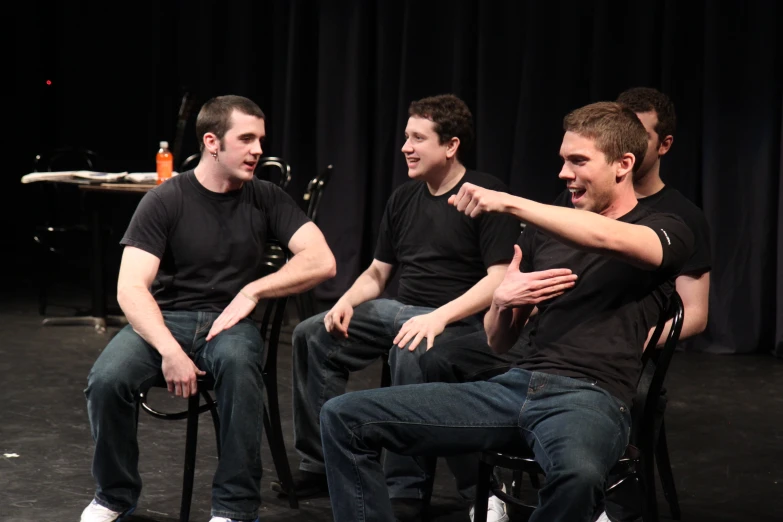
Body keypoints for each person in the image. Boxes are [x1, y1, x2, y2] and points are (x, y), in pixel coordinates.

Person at [319, 101, 694, 522]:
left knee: (578, 475)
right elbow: (499, 341)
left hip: (590, 398)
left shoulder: (669, 227)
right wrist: (502, 301)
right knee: (344, 417)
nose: (564, 173)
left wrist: (510, 203)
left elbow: (611, 239)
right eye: (563, 160)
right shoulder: (545, 234)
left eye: (578, 161)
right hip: (513, 387)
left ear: (623, 164)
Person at [80, 95, 336, 522]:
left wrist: (253, 291)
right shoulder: (166, 200)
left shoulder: (266, 197)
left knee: (239, 371)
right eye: (247, 139)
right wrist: (170, 351)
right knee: (106, 381)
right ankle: (114, 495)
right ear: (212, 142)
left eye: (261, 139)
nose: (258, 150)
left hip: (229, 324)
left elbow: (322, 260)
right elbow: (131, 289)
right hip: (166, 321)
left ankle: (234, 507)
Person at [273, 94, 521, 520]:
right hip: (403, 309)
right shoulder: (404, 198)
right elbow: (377, 271)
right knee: (312, 333)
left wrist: (440, 316)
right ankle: (318, 464)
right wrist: (347, 300)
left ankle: (406, 487)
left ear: (451, 146)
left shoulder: (484, 195)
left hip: (460, 321)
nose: (406, 146)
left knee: (410, 345)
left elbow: (499, 278)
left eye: (418, 138)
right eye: (406, 136)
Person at [591, 88, 710, 522]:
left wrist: (630, 342)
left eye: (639, 133)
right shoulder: (588, 196)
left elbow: (694, 312)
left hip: (630, 361)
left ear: (664, 144)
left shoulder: (682, 217)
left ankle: (614, 508)